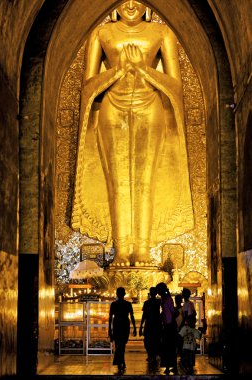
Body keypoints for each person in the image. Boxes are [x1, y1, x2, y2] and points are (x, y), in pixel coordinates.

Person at [71, 0, 193, 265]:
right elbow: (88, 87)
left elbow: (176, 87)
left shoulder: (162, 33)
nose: (131, 5)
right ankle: (122, 251)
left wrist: (143, 69)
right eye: (125, 0)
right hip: (112, 107)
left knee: (145, 182)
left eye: (138, 1)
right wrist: (117, 70)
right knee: (118, 183)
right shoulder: (101, 33)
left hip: (150, 107)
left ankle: (142, 250)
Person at [108, 287, 137, 372]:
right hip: (124, 324)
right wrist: (134, 327)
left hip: (118, 324)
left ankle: (120, 360)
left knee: (119, 344)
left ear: (117, 294)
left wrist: (109, 329)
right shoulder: (127, 304)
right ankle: (121, 361)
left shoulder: (114, 304)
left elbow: (110, 318)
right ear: (124, 294)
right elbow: (132, 316)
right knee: (122, 344)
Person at [156, 282, 178, 374]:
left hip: (170, 325)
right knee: (167, 347)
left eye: (158, 290)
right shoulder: (164, 299)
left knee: (169, 346)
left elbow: (172, 311)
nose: (158, 292)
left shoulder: (168, 299)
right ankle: (169, 366)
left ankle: (171, 366)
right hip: (166, 325)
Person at [139, 287, 162, 364]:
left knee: (150, 340)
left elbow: (144, 315)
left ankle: (152, 355)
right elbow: (144, 314)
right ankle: (152, 355)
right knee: (151, 340)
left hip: (153, 324)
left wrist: (141, 326)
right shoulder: (155, 302)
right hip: (153, 324)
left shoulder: (157, 302)